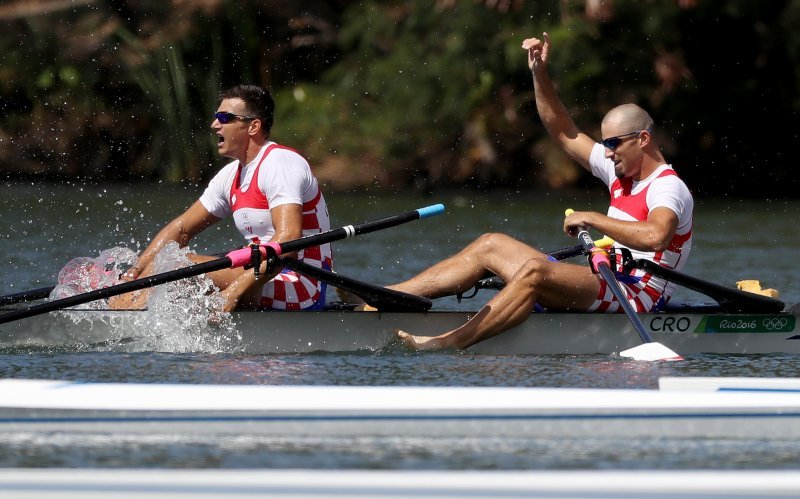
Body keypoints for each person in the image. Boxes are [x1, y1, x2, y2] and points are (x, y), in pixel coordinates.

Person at [390, 32, 694, 350]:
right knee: (491, 244)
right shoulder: (619, 174)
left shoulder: (667, 187)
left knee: (536, 271)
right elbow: (564, 131)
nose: (607, 153)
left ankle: (445, 342)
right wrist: (539, 74)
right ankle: (391, 296)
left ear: (643, 139)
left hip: (636, 295)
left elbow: (655, 236)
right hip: (605, 280)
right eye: (605, 144)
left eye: (614, 143)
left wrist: (592, 218)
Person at [109, 85, 332, 313]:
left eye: (225, 118)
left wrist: (233, 293)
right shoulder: (231, 174)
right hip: (258, 273)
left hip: (299, 283)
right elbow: (182, 229)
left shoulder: (281, 163)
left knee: (174, 268)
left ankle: (117, 327)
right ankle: (117, 314)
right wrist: (133, 273)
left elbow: (288, 241)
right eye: (216, 117)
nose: (215, 124)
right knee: (163, 262)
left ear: (254, 126)